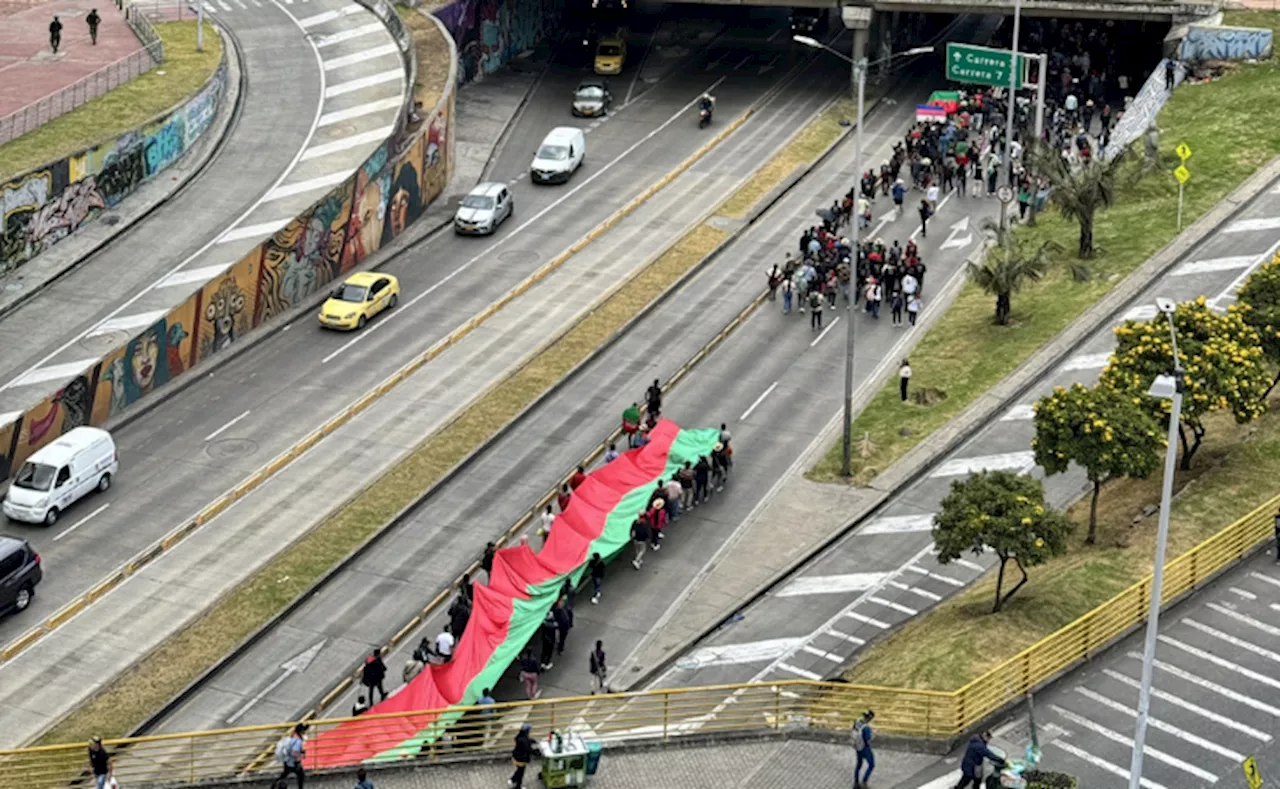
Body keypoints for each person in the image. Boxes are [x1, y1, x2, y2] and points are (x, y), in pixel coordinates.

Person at [276, 723, 308, 789]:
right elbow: (294, 753)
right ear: (301, 731)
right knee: (301, 776)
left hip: (287, 760)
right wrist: (302, 755)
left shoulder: (293, 735)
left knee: (284, 775)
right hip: (294, 762)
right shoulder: (298, 740)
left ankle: (274, 786)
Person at [852, 710, 875, 789]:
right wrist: (872, 738)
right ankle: (864, 781)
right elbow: (868, 740)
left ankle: (856, 781)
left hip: (857, 747)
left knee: (858, 765)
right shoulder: (866, 728)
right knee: (871, 765)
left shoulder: (857, 722)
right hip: (865, 748)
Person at [510, 723, 535, 789]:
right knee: (521, 772)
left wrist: (531, 741)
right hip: (521, 759)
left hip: (516, 757)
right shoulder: (525, 740)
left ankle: (513, 779)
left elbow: (526, 741)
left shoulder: (520, 736)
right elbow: (529, 749)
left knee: (519, 770)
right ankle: (518, 786)